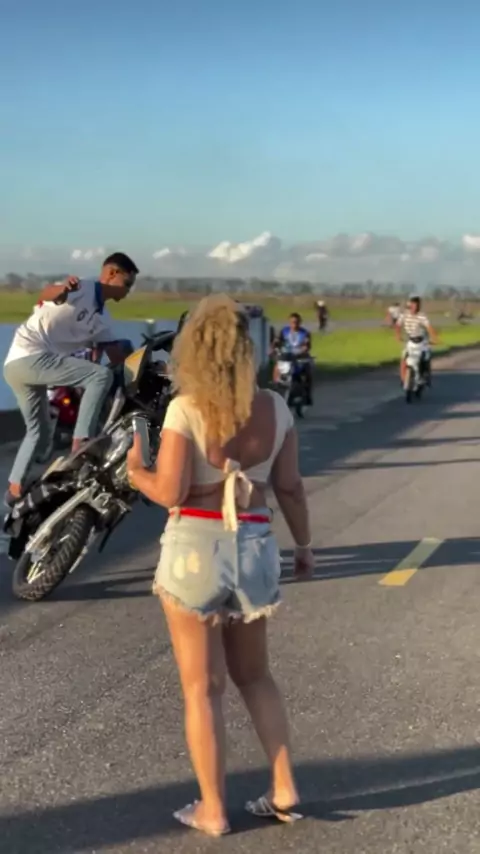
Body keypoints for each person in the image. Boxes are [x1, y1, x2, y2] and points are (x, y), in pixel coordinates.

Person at [126, 294, 315, 837]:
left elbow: (171, 491)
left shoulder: (185, 408)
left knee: (202, 689)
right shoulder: (275, 407)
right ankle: (284, 786)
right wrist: (304, 545)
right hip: (254, 545)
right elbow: (290, 486)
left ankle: (213, 809)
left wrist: (136, 470)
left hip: (195, 548)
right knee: (255, 676)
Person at [3, 251, 138, 505]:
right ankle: (81, 445)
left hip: (17, 367)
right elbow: (47, 294)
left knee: (39, 433)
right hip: (30, 356)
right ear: (111, 273)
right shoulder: (82, 288)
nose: (128, 292)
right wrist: (63, 290)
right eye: (127, 284)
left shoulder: (103, 320)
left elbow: (118, 356)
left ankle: (13, 491)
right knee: (99, 376)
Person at [395, 295, 437, 384]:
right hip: (410, 340)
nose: (414, 308)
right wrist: (398, 336)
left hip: (422, 340)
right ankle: (403, 379)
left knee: (425, 357)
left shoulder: (422, 316)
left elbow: (429, 327)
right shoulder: (404, 314)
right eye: (413, 305)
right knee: (404, 358)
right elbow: (398, 325)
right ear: (410, 305)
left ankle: (425, 375)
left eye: (416, 306)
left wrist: (434, 338)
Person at [274, 312, 313, 405]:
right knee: (277, 366)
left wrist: (303, 350)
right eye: (292, 322)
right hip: (287, 356)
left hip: (300, 357)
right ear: (289, 322)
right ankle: (276, 385)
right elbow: (277, 341)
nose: (294, 324)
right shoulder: (284, 331)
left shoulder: (305, 333)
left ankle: (308, 394)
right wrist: (274, 348)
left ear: (300, 322)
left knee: (308, 371)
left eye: (296, 322)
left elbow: (307, 345)